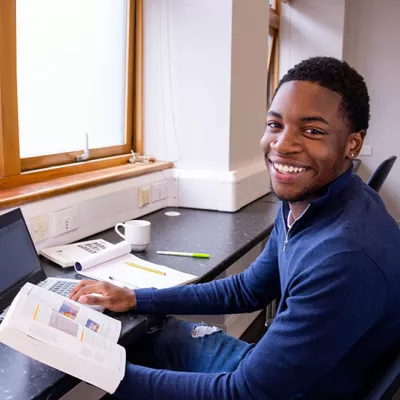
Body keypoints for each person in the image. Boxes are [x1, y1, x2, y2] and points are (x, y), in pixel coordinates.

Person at [70, 56, 400, 400]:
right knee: (151, 334)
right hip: (290, 373)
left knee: (118, 367)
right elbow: (249, 289)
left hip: (295, 391)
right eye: (275, 124)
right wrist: (137, 298)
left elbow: (242, 394)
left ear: (352, 144)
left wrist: (90, 366)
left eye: (312, 130)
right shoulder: (308, 199)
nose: (283, 145)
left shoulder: (344, 256)